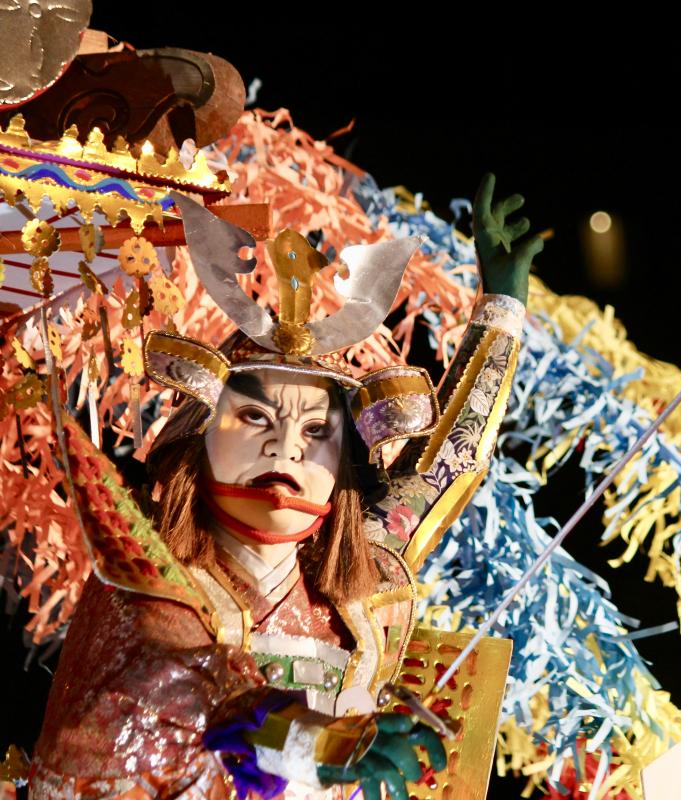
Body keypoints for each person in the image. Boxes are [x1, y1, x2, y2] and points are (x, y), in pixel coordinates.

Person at [29, 174, 542, 799]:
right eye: (254, 418)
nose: (286, 447)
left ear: (344, 469)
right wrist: (319, 746)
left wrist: (502, 311)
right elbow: (172, 693)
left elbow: (452, 461)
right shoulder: (150, 579)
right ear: (202, 436)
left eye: (316, 431)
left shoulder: (362, 586)